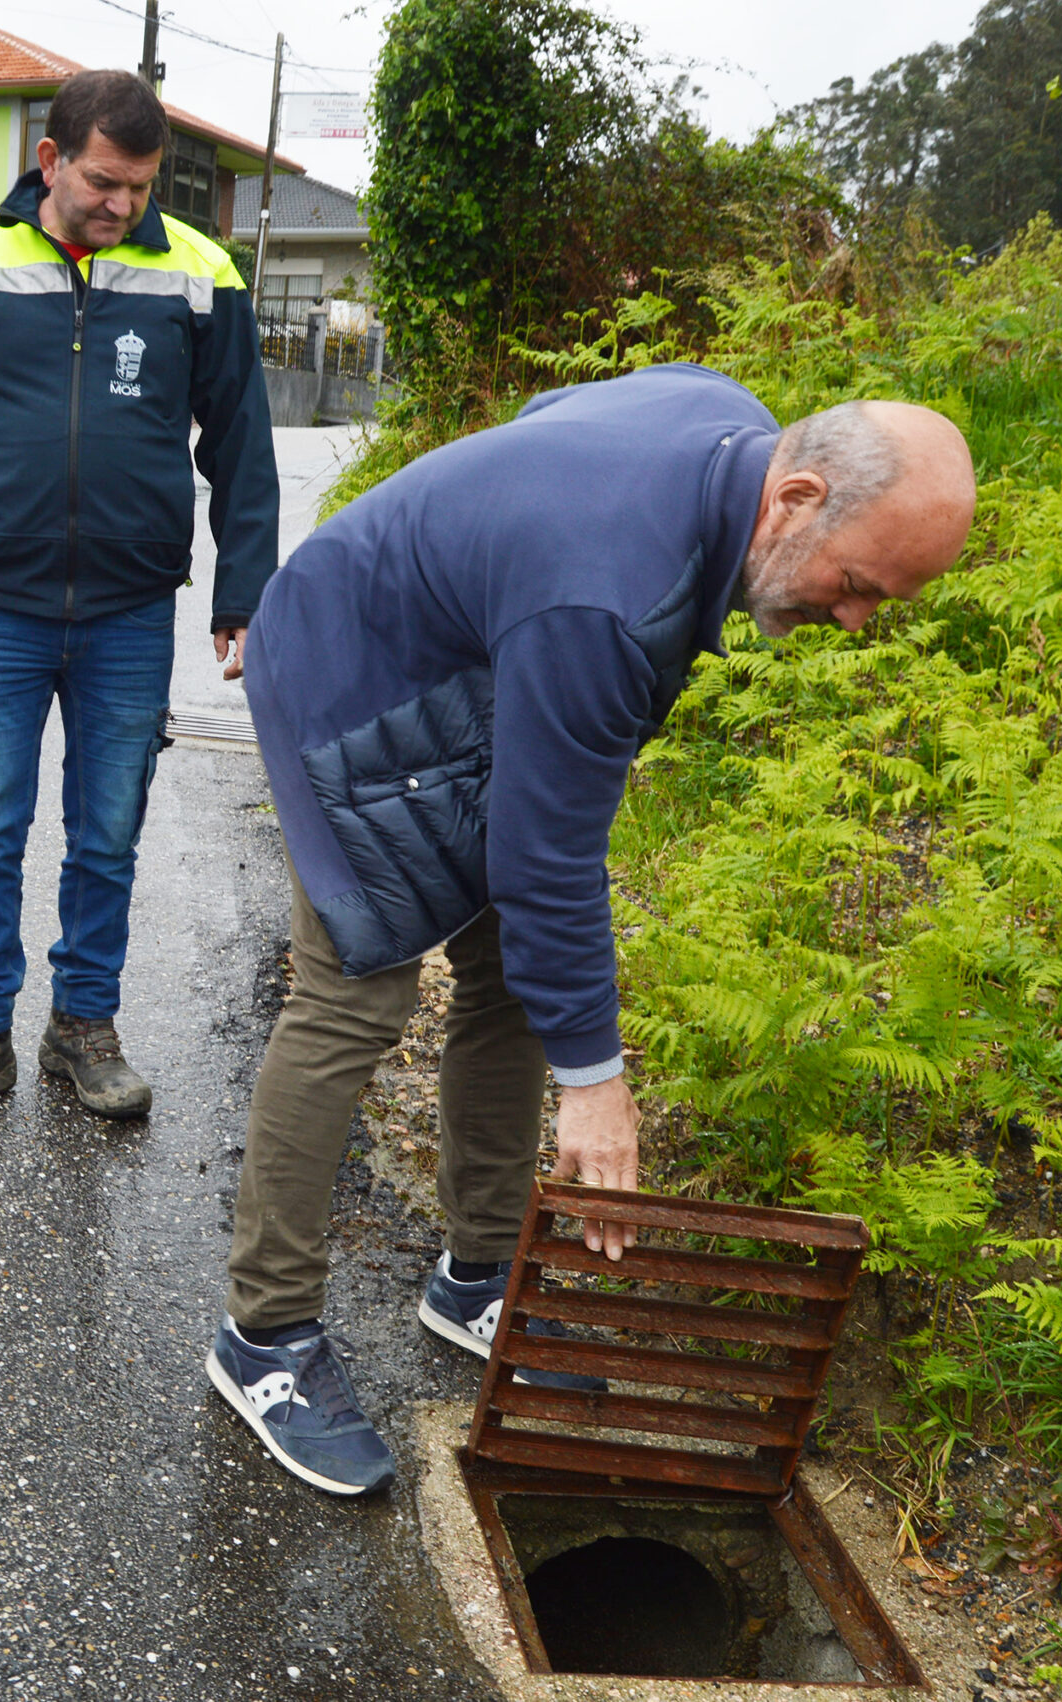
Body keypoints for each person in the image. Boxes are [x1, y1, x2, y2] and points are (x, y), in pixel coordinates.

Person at [203, 367, 978, 1495]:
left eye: (883, 604)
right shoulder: (604, 600)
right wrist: (597, 1081)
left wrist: (498, 594)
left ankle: (474, 1275)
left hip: (479, 658)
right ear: (797, 495)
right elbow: (545, 860)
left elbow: (544, 417)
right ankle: (261, 1337)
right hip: (347, 672)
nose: (854, 622)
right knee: (354, 993)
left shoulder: (725, 426)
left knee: (515, 982)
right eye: (857, 584)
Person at [0, 69, 278, 1124]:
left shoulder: (201, 275)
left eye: (139, 187)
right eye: (103, 181)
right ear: (50, 160)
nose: (121, 205)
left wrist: (245, 593)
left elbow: (240, 446)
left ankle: (82, 1027)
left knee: (107, 832)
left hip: (131, 610)